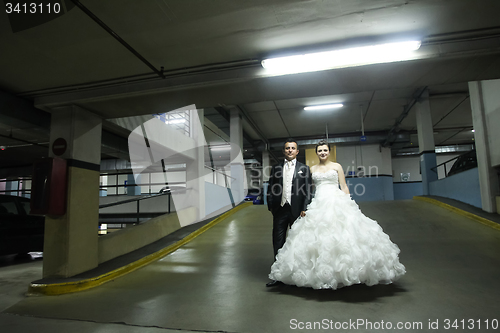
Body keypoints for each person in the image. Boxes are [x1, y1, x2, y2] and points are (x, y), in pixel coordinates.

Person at [268, 140, 405, 289]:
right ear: (316, 153)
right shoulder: (311, 169)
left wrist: (348, 202)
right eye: (320, 151)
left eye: (325, 150)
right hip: (319, 201)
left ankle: (346, 272)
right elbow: (306, 188)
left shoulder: (336, 166)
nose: (322, 153)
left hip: (336, 200)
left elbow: (344, 186)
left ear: (329, 151)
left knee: (343, 235)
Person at [266, 139, 312, 287]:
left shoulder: (304, 169)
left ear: (297, 151)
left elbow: (308, 190)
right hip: (279, 210)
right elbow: (271, 188)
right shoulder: (276, 168)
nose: (290, 150)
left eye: (293, 148)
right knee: (278, 242)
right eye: (287, 148)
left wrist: (305, 207)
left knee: (297, 243)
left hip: (298, 211)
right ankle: (278, 275)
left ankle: (297, 275)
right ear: (283, 151)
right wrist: (271, 206)